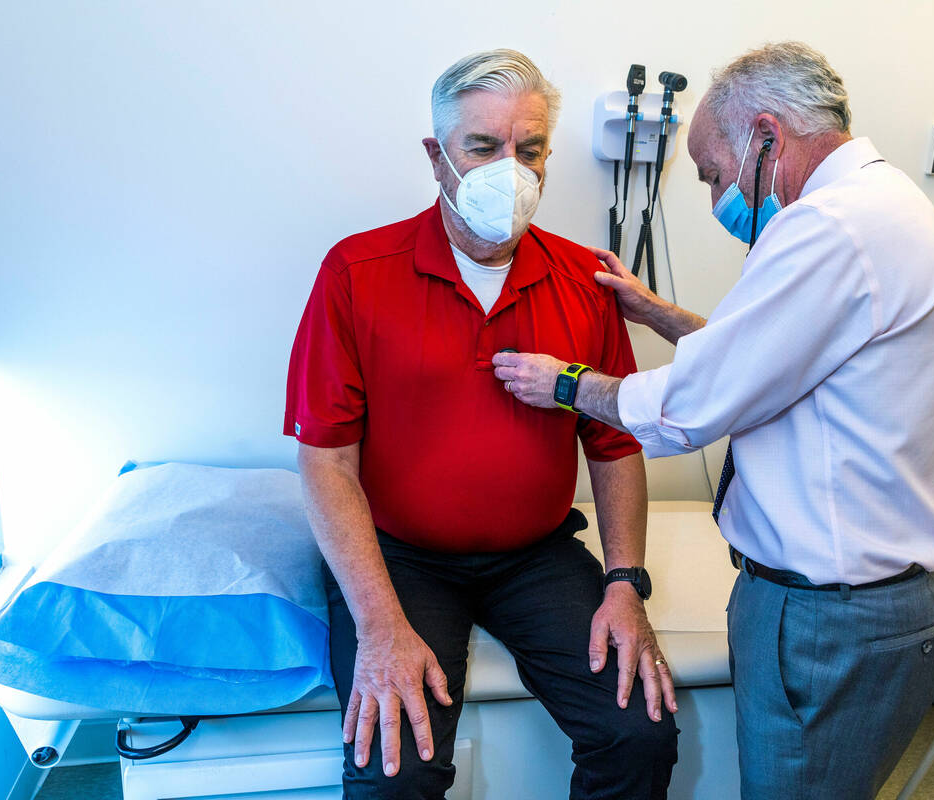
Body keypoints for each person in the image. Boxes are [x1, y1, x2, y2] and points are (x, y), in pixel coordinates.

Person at [495, 42, 934, 799]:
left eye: (714, 174)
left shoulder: (830, 227)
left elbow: (688, 409)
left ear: (764, 135)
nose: (720, 195)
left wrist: (564, 382)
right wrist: (663, 316)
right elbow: (784, 359)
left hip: (828, 620)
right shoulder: (887, 210)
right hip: (872, 606)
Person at [285, 49, 678, 800]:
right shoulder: (357, 272)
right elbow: (326, 462)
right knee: (393, 771)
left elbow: (615, 442)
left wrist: (624, 584)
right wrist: (379, 625)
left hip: (535, 556)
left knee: (640, 733)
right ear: (438, 157)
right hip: (401, 558)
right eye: (483, 146)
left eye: (529, 150)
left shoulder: (583, 282)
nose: (511, 168)